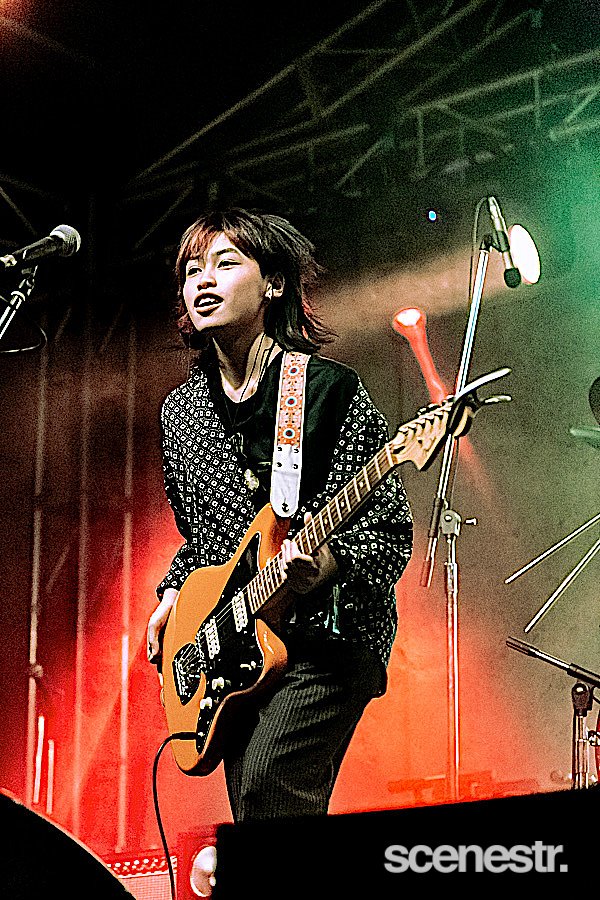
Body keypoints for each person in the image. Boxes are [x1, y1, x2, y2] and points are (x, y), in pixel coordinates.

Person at [146, 207, 413, 822]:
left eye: (225, 263)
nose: (203, 279)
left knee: (271, 785)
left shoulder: (325, 390)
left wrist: (321, 567)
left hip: (329, 636)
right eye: (191, 270)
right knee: (256, 812)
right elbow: (206, 542)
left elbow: (390, 523)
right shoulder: (182, 413)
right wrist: (173, 596)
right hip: (239, 649)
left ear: (273, 284)